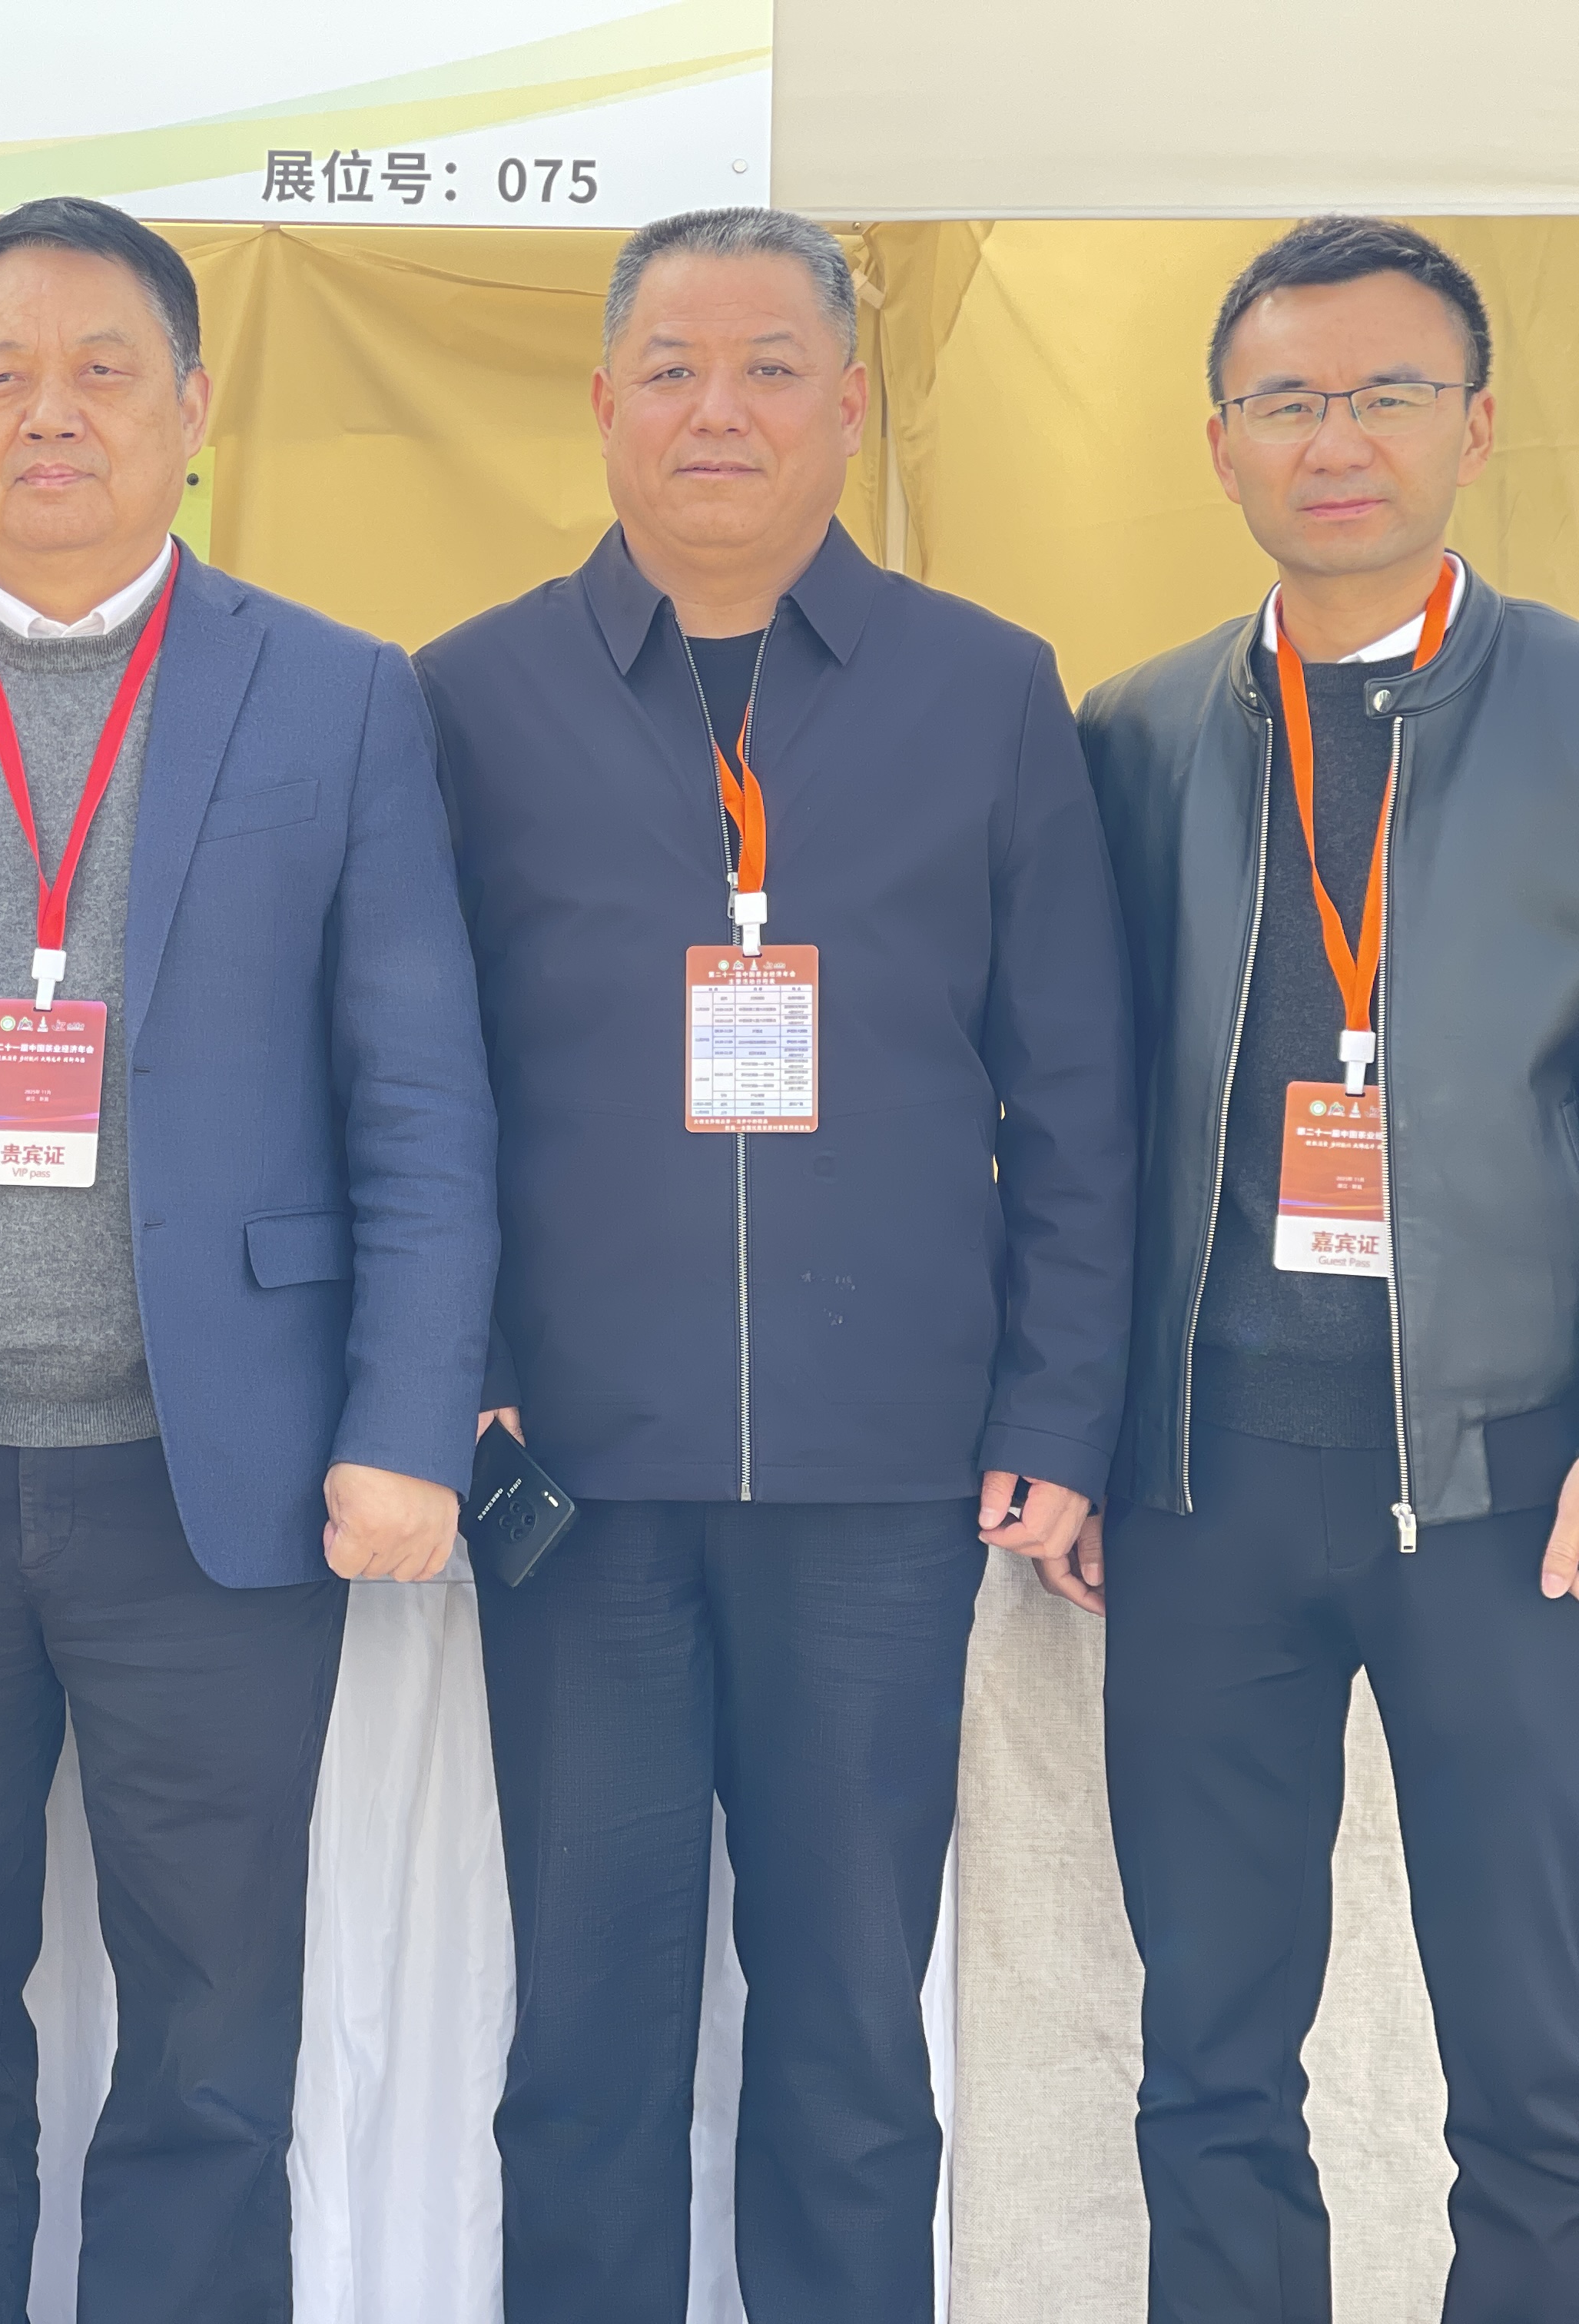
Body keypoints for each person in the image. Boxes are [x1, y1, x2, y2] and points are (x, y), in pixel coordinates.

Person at [0, 195, 496, 2323]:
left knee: (213, 2031)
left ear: (194, 408)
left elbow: (420, 1094)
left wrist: (406, 1424)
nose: (53, 414)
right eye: (4, 375)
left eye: (104, 371)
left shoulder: (338, 697)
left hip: (217, 1483)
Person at [418, 207, 1134, 2322]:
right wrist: (456, 1375)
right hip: (577, 1472)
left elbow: (1074, 1084)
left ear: (848, 403)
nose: (715, 410)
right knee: (586, 2040)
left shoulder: (984, 690)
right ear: (602, 403)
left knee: (848, 2039)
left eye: (767, 369)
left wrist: (1058, 1402)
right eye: (671, 368)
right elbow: (413, 1080)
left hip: (883, 1477)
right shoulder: (472, 696)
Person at [1077, 215, 1579, 2319]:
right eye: (1286, 400)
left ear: (1477, 422)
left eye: (1386, 393)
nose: (1336, 439)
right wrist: (1073, 1428)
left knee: (1544, 2066)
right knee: (1209, 2060)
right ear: (1220, 444)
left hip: (1507, 1487)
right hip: (1206, 1482)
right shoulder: (1135, 732)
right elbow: (1073, 1112)